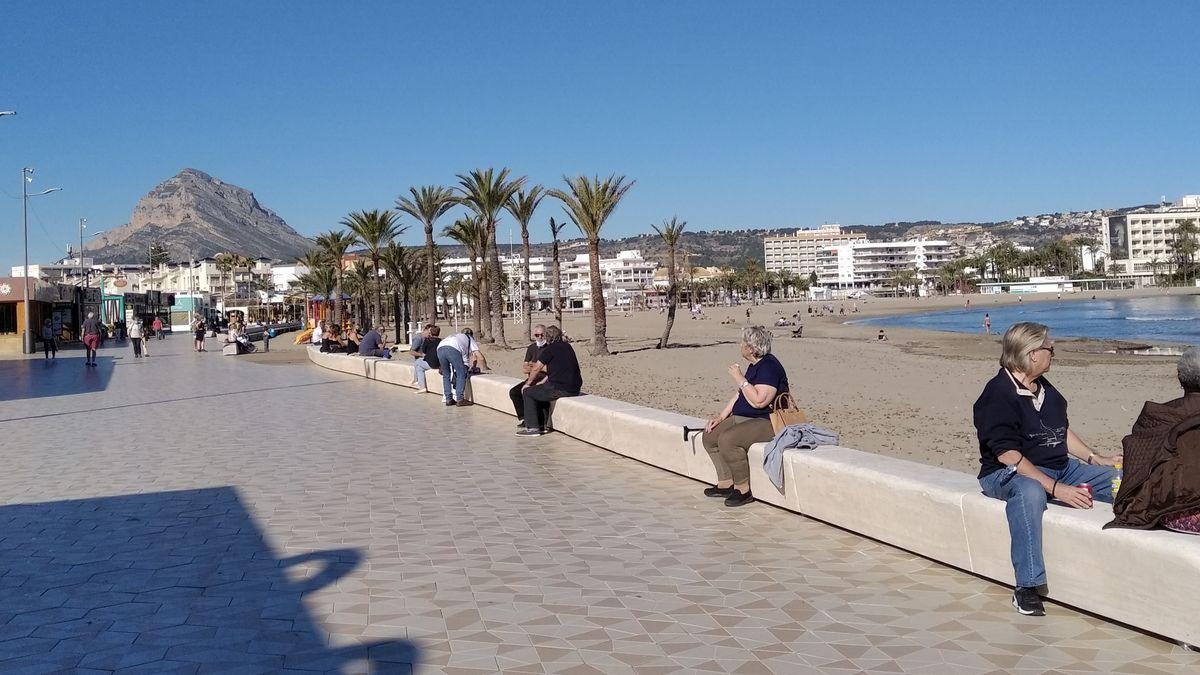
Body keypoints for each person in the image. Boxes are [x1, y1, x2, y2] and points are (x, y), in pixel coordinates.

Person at [974, 322, 1122, 616]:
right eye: (1049, 348)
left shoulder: (1045, 389)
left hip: (1062, 468)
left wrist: (1096, 458)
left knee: (1122, 478)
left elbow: (1061, 431)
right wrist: (1054, 489)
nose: (1053, 352)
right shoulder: (997, 394)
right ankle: (1027, 587)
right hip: (1007, 474)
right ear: (1031, 355)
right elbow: (1007, 455)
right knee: (1029, 493)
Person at [1106, 347, 1200, 534]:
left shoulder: (1155, 416)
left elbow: (1136, 458)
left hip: (1166, 513)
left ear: (1180, 378)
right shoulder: (1159, 416)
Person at [700, 326, 790, 507]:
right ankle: (725, 483)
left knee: (728, 440)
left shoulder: (770, 367)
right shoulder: (754, 366)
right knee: (710, 435)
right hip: (744, 417)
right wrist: (721, 417)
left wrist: (740, 377)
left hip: (767, 421)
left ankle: (743, 489)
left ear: (751, 348)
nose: (740, 345)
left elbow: (759, 401)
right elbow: (740, 395)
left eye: (743, 342)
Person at [517, 325, 581, 436]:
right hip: (574, 387)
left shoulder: (550, 349)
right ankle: (543, 425)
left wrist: (528, 384)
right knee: (539, 390)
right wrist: (542, 382)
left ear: (548, 337)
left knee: (528, 392)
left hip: (560, 388)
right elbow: (558, 369)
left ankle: (533, 428)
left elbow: (537, 367)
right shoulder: (567, 347)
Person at [436, 327, 488, 406]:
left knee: (446, 375)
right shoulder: (469, 338)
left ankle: (448, 399)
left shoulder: (456, 336)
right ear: (471, 335)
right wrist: (486, 368)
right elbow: (479, 356)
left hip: (440, 348)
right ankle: (460, 399)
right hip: (452, 349)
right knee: (461, 373)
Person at [510, 325, 548, 426]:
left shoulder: (549, 348)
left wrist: (535, 366)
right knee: (514, 392)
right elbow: (524, 368)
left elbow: (550, 369)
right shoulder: (531, 348)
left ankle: (539, 421)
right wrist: (537, 367)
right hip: (532, 378)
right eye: (537, 335)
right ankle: (524, 418)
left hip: (544, 379)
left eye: (542, 335)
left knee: (532, 393)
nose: (539, 337)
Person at [412, 325, 441, 393]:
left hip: (431, 364)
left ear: (430, 332)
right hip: (438, 363)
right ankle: (421, 386)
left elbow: (424, 351)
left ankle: (416, 381)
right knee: (419, 368)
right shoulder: (440, 341)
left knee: (418, 362)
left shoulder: (427, 341)